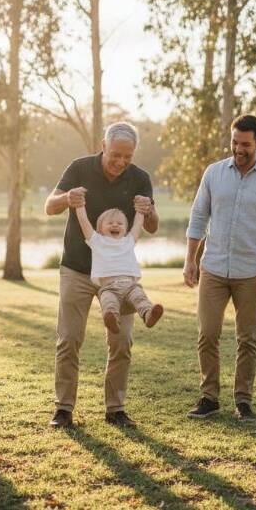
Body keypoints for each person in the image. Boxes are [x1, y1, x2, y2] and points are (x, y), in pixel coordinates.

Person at [45, 122, 159, 428]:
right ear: (103, 146)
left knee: (121, 341)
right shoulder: (79, 168)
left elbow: (152, 226)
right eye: (116, 155)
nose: (121, 162)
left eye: (128, 156)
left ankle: (115, 408)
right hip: (77, 269)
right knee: (69, 339)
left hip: (118, 278)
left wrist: (148, 210)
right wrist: (67, 198)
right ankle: (63, 408)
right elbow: (49, 207)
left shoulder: (140, 178)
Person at [183, 114, 256, 422]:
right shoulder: (214, 173)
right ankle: (209, 397)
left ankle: (243, 401)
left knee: (248, 338)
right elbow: (198, 217)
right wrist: (190, 260)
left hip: (251, 272)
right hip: (213, 268)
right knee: (207, 334)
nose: (238, 149)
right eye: (234, 142)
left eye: (245, 144)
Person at [74, 204, 163, 334]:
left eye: (120, 223)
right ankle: (112, 321)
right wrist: (79, 205)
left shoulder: (129, 240)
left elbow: (138, 224)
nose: (115, 225)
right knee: (109, 304)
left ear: (126, 229)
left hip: (130, 285)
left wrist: (140, 209)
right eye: (110, 223)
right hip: (108, 288)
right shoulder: (96, 240)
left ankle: (148, 315)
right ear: (99, 229)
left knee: (140, 298)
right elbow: (84, 222)